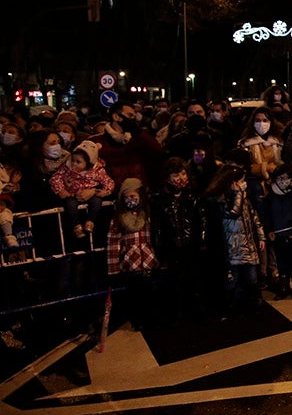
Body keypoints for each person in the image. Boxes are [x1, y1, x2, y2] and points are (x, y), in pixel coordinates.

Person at [203, 162, 268, 318]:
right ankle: (230, 306)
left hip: (248, 246)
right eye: (239, 181)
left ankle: (254, 303)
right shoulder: (219, 201)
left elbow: (254, 218)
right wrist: (238, 194)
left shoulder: (244, 199)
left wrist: (261, 236)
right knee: (232, 279)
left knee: (252, 278)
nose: (242, 184)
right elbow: (233, 212)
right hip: (232, 248)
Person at [151, 156, 207, 323]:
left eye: (183, 174)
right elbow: (158, 227)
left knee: (194, 279)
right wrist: (159, 249)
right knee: (175, 282)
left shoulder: (193, 197)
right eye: (176, 175)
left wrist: (202, 241)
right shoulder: (160, 200)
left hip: (191, 246)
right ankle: (177, 313)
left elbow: (202, 220)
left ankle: (196, 311)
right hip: (172, 247)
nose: (181, 178)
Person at [106, 177, 163, 331]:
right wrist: (113, 268)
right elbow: (113, 242)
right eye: (127, 197)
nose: (130, 200)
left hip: (149, 259)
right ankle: (138, 319)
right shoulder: (119, 218)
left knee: (150, 292)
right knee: (135, 294)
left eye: (133, 196)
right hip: (130, 262)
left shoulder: (148, 214)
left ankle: (151, 318)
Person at [260, 163, 292, 300]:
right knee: (281, 261)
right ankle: (284, 287)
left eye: (286, 178)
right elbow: (267, 214)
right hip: (278, 234)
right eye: (280, 178)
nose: (283, 181)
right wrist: (269, 229)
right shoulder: (271, 196)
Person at [48, 140, 115, 239]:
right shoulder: (66, 168)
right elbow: (55, 178)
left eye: (78, 162)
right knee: (70, 204)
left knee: (97, 201)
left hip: (91, 194)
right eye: (73, 160)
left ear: (88, 163)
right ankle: (77, 226)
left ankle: (90, 222)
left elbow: (108, 181)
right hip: (73, 195)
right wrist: (61, 190)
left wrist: (105, 191)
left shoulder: (97, 171)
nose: (74, 164)